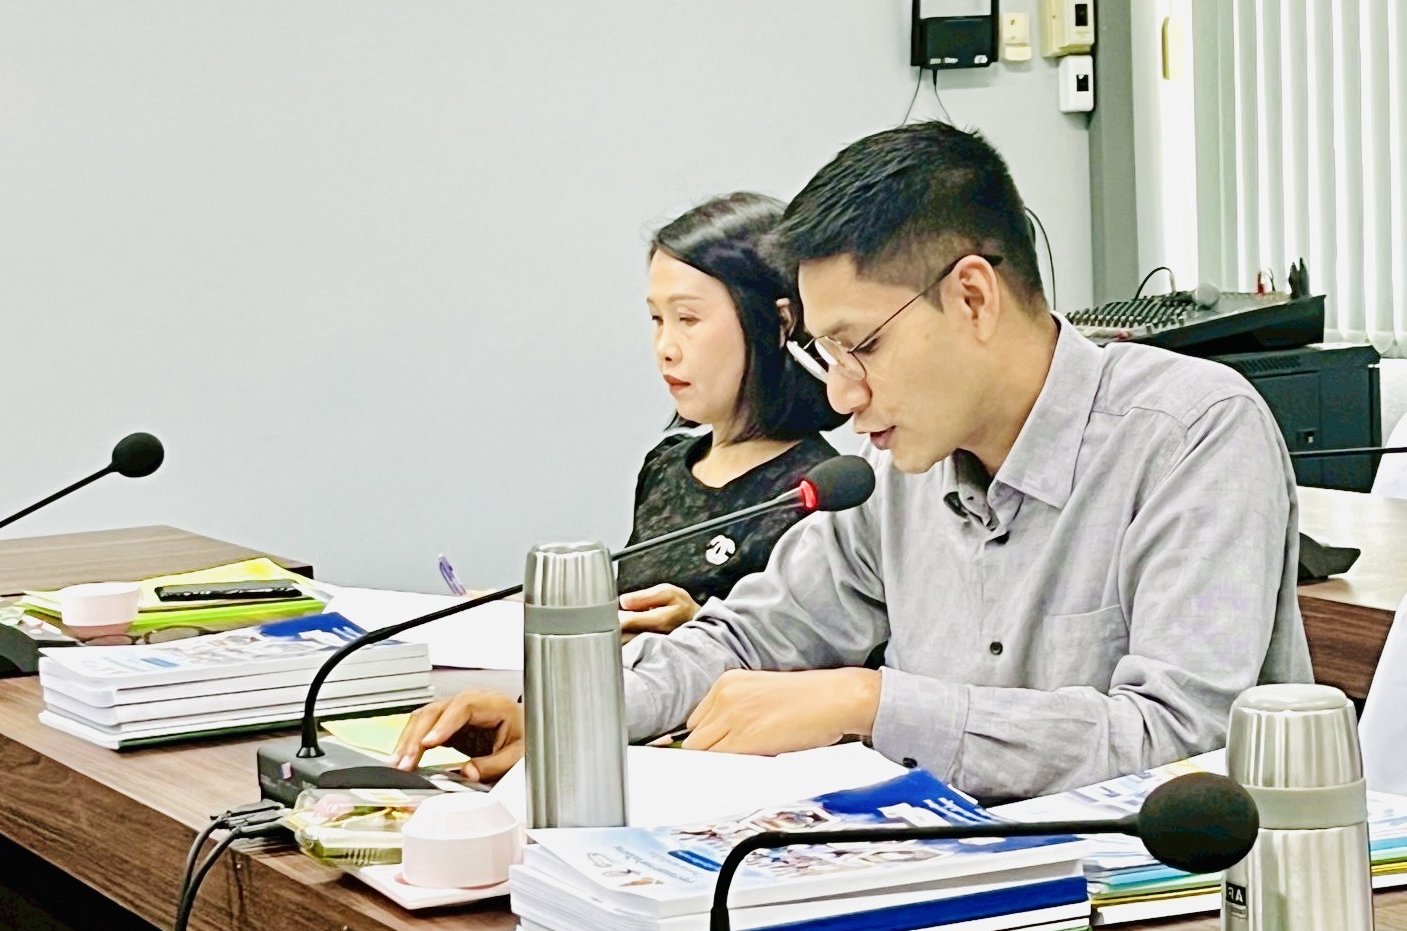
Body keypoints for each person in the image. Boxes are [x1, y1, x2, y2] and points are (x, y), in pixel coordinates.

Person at [390, 121, 1311, 800]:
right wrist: (567, 717)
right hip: (951, 885)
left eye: (860, 346)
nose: (839, 394)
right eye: (823, 354)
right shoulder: (902, 468)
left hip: (1154, 927)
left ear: (973, 298)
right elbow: (751, 638)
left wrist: (872, 702)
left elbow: (1179, 739)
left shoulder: (1190, 432)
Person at [616, 192, 842, 636]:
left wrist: (700, 624)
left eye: (687, 319)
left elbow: (829, 651)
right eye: (657, 319)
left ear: (780, 323)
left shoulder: (821, 492)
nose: (665, 348)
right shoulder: (664, 466)